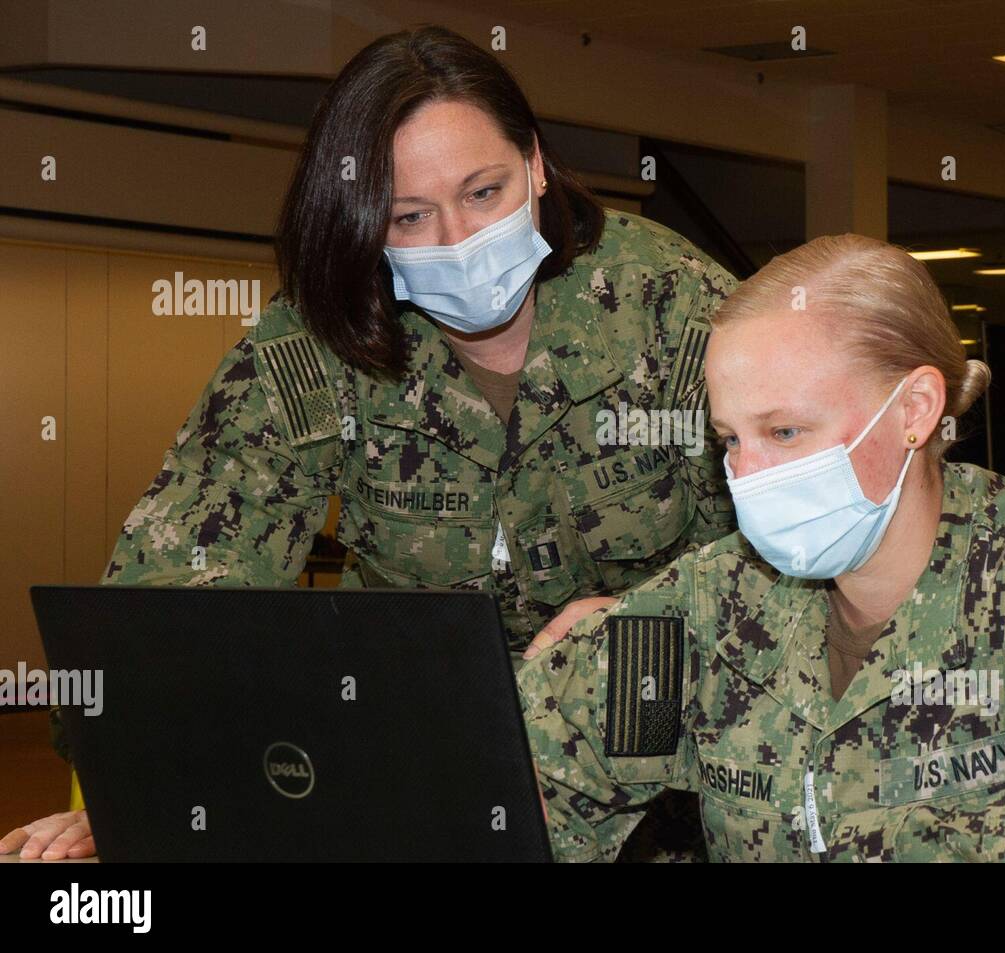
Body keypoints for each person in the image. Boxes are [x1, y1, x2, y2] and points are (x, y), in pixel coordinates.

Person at [1, 25, 734, 862]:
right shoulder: (323, 336)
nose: (457, 240)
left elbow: (809, 560)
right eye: (410, 217)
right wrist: (154, 777)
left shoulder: (678, 313)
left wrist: (644, 623)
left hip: (661, 791)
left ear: (535, 165)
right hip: (413, 782)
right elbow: (184, 578)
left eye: (484, 192)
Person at [518, 234, 1005, 861]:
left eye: (785, 432)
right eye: (731, 440)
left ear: (914, 410)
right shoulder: (717, 600)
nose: (748, 475)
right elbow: (511, 784)